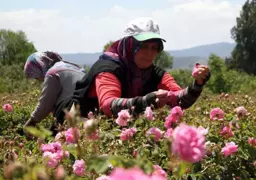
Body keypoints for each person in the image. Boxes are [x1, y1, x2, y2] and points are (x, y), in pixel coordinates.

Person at [54, 17, 211, 122]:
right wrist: (145, 102)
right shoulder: (108, 69)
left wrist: (197, 84)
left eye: (155, 47)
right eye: (143, 46)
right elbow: (109, 105)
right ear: (129, 46)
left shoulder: (155, 73)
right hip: (79, 124)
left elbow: (178, 100)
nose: (150, 53)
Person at [23, 51, 86, 132]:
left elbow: (45, 104)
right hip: (90, 112)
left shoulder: (52, 73)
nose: (38, 79)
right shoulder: (76, 67)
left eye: (36, 76)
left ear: (39, 67)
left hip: (74, 113)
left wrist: (31, 122)